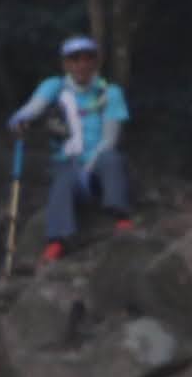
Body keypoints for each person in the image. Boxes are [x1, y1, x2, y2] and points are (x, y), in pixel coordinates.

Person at [29, 35, 132, 259]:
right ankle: (57, 240)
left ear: (96, 62)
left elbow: (110, 138)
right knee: (63, 177)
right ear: (66, 63)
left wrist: (89, 165)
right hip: (67, 160)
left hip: (98, 162)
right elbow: (34, 108)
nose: (81, 65)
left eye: (87, 58)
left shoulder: (110, 92)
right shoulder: (55, 87)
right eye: (74, 59)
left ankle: (121, 217)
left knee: (112, 159)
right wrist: (20, 120)